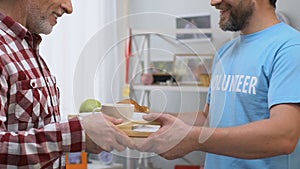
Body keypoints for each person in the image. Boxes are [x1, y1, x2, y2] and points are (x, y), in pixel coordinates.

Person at [137, 0, 300, 169]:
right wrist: (151, 119)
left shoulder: (290, 48)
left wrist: (195, 139)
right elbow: (210, 118)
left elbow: (284, 136)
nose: (214, 2)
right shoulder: (225, 51)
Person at [0, 0, 134, 168]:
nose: (69, 8)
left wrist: (87, 129)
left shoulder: (24, 46)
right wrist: (77, 134)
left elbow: (32, 127)